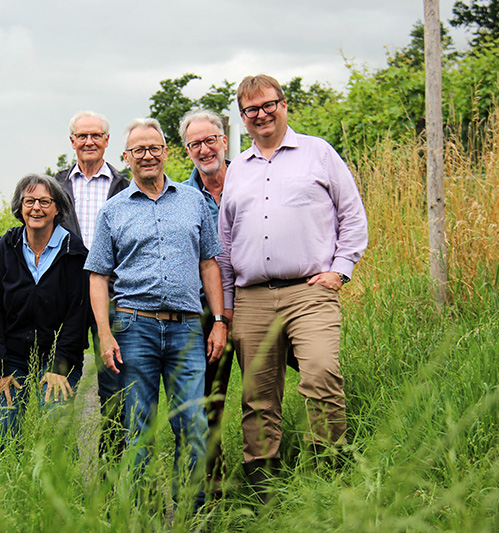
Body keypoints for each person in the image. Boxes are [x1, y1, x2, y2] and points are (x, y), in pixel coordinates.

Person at [217, 74, 368, 503]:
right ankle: (264, 482)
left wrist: (340, 269)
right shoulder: (238, 172)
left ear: (284, 105)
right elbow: (226, 244)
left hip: (310, 291)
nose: (261, 114)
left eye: (269, 105)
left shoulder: (318, 153)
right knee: (257, 394)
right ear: (242, 118)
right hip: (251, 298)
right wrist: (226, 308)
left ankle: (329, 469)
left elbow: (352, 215)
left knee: (321, 373)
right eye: (251, 110)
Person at [85, 118, 227, 509]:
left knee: (194, 427)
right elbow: (98, 276)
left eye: (154, 147)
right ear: (126, 157)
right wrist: (105, 333)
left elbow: (209, 264)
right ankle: (144, 515)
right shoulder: (113, 211)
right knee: (138, 430)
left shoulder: (193, 201)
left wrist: (218, 320)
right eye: (138, 150)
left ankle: (192, 515)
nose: (147, 155)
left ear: (167, 152)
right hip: (133, 327)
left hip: (186, 331)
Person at [0, 174, 89, 437]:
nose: (36, 208)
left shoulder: (73, 251)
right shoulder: (6, 246)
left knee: (55, 430)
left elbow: (78, 314)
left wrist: (59, 367)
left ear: (57, 208)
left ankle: (62, 479)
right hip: (11, 358)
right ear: (20, 207)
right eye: (29, 201)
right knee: (3, 430)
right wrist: (0, 369)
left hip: (58, 356)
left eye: (44, 201)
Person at [54, 111, 129, 458]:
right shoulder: (54, 186)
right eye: (82, 136)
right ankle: (58, 466)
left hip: (112, 293)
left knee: (113, 381)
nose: (89, 142)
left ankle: (111, 467)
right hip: (65, 294)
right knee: (58, 376)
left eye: (96, 135)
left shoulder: (124, 186)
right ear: (72, 141)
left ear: (107, 141)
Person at [178, 109, 235, 490]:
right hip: (206, 310)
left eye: (210, 139)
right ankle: (212, 483)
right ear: (187, 151)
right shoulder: (182, 197)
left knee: (266, 389)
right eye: (195, 143)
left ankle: (270, 472)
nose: (204, 148)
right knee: (208, 399)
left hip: (260, 297)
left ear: (224, 140)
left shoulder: (252, 178)